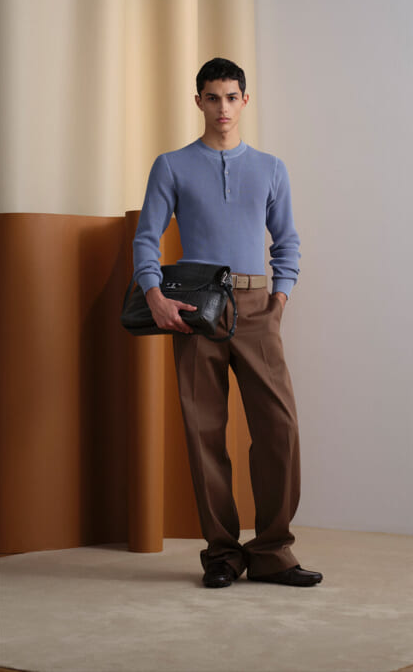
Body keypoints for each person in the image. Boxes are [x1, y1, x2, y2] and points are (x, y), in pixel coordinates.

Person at [133, 57, 323, 589]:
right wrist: (154, 296)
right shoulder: (171, 165)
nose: (223, 108)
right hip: (196, 311)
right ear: (198, 101)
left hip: (257, 307)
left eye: (231, 97)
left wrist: (279, 299)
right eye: (212, 98)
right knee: (205, 433)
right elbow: (146, 238)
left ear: (245, 101)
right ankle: (221, 554)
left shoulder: (270, 168)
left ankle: (272, 551)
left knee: (279, 428)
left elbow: (287, 241)